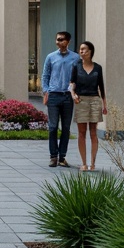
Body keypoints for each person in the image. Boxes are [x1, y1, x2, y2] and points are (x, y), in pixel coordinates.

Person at [41, 30, 80, 167]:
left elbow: (78, 77)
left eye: (62, 39)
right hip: (54, 96)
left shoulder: (75, 58)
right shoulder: (50, 57)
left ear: (68, 42)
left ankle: (62, 157)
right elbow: (45, 75)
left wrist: (76, 93)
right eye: (57, 39)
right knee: (52, 127)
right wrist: (46, 91)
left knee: (66, 128)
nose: (59, 42)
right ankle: (53, 157)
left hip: (67, 97)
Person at [69, 41, 108, 171]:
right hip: (81, 100)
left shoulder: (98, 68)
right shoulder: (76, 66)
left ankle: (93, 163)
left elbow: (101, 86)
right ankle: (83, 163)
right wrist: (73, 93)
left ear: (90, 51)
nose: (81, 51)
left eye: (84, 49)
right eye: (80, 49)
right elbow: (72, 83)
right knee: (81, 132)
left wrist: (104, 104)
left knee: (93, 133)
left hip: (95, 100)